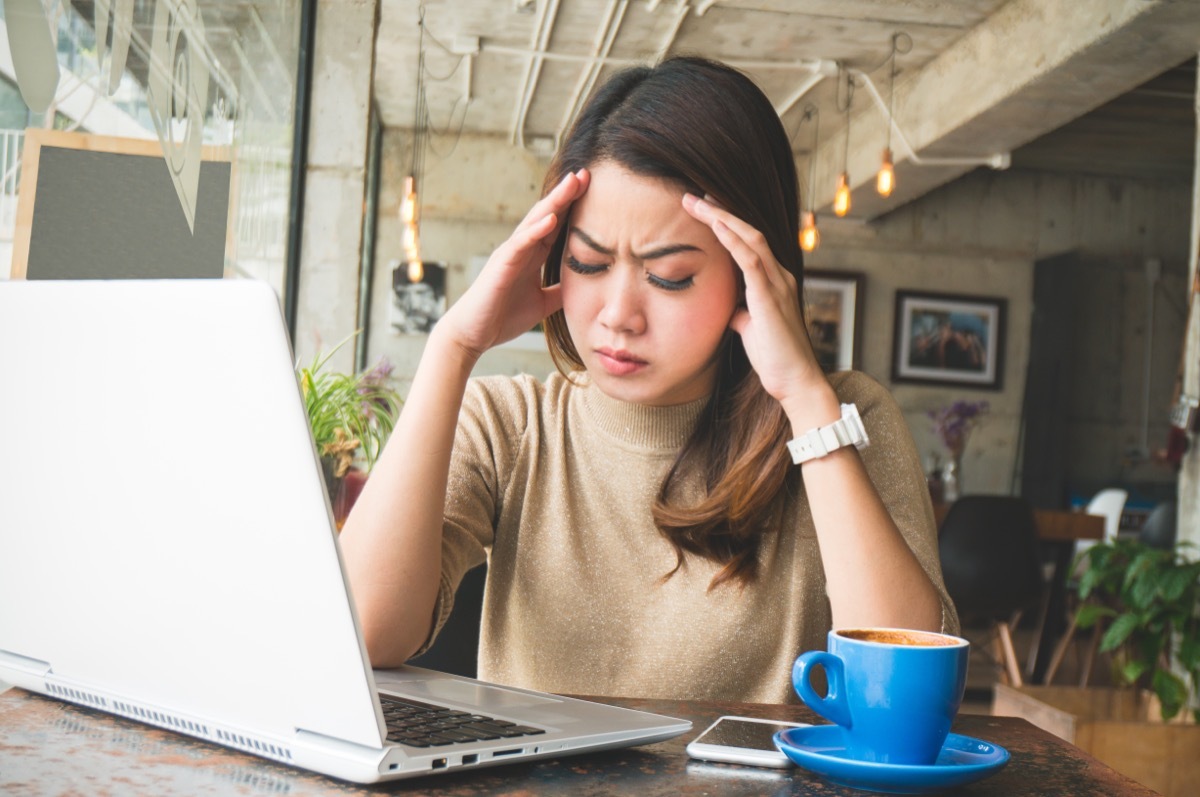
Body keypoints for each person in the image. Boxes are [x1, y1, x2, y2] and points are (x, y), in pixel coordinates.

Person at [340, 57, 957, 704]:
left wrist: (804, 399)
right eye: (587, 262)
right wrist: (454, 345)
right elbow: (364, 633)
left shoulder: (842, 415)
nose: (617, 316)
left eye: (670, 276)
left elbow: (909, 693)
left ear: (756, 269)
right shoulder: (510, 424)